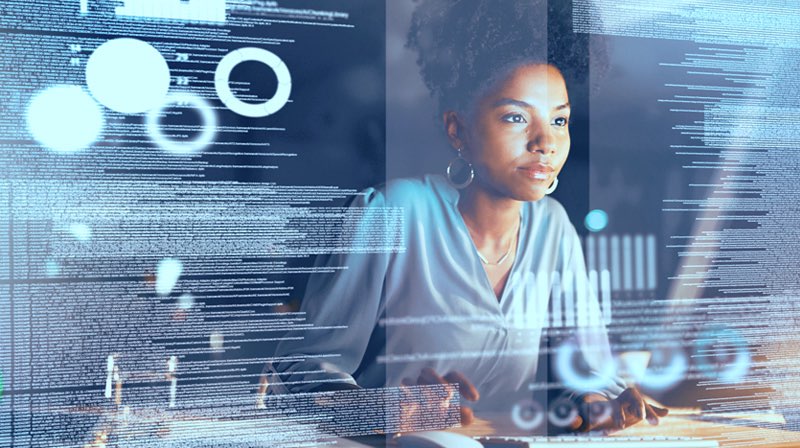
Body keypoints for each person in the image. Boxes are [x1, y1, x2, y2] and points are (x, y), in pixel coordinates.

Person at [268, 0, 667, 436]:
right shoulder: (392, 212)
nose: (545, 142)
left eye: (559, 120)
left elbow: (591, 371)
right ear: (458, 129)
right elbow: (300, 368)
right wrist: (388, 409)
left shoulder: (553, 227)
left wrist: (599, 403)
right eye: (516, 117)